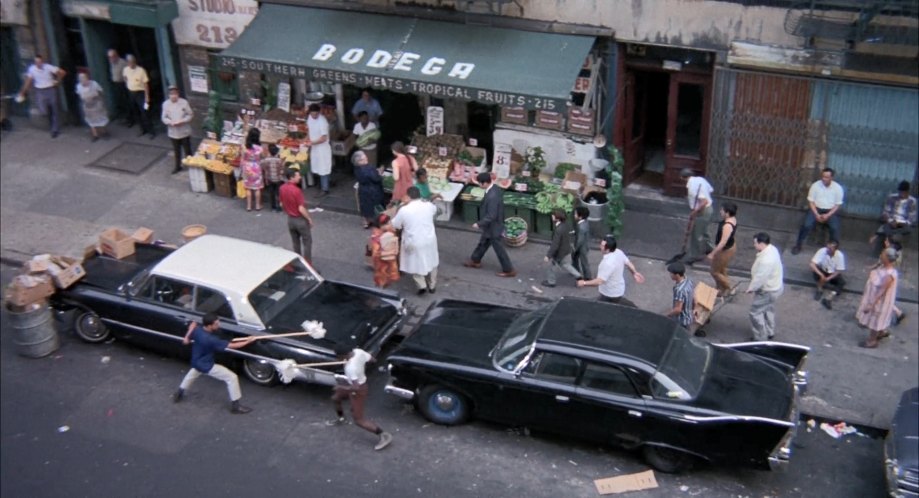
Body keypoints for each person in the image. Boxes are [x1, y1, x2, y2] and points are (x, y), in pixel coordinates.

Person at [172, 313, 257, 414]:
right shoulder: (211, 339)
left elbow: (186, 341)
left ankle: (179, 393)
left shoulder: (197, 330)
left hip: (196, 360)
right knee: (231, 377)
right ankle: (236, 406)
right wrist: (249, 341)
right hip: (206, 364)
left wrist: (191, 329)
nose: (218, 325)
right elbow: (234, 346)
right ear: (209, 326)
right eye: (216, 324)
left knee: (192, 374)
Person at [327, 344, 393, 451]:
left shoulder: (350, 368)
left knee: (359, 420)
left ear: (343, 355)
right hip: (356, 383)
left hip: (358, 390)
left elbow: (355, 387)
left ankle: (384, 435)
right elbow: (372, 359)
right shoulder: (358, 351)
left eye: (338, 357)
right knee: (335, 398)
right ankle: (341, 418)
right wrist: (361, 367)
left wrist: (341, 386)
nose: (338, 359)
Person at [463, 172, 516, 277]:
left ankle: (509, 269)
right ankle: (475, 260)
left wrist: (479, 223)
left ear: (484, 183)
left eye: (479, 183)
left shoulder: (492, 196)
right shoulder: (494, 189)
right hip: (492, 226)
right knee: (483, 242)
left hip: (493, 226)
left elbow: (491, 215)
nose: (479, 185)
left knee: (498, 248)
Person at [391, 186, 439, 295]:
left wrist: (401, 205)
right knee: (431, 260)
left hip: (413, 241)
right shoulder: (428, 206)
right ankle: (432, 285)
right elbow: (434, 210)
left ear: (408, 196)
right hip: (429, 239)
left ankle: (421, 285)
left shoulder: (404, 210)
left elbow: (396, 224)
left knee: (416, 263)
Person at [577, 235, 645, 307]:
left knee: (605, 306)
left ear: (608, 249)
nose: (600, 246)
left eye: (602, 246)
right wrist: (634, 272)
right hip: (618, 289)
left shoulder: (607, 263)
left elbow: (599, 281)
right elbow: (628, 263)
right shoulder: (619, 252)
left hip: (609, 293)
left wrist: (584, 283)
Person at [792, 168, 844, 255]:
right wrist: (816, 214)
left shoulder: (837, 188)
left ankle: (832, 249)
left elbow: (837, 205)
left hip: (830, 211)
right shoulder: (815, 185)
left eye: (827, 177)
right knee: (806, 225)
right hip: (816, 209)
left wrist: (828, 215)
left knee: (834, 228)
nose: (824, 179)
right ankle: (798, 245)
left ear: (832, 178)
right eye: (823, 176)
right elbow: (811, 201)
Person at [856, 247, 899, 348]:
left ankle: (872, 341)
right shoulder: (882, 267)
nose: (881, 254)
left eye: (883, 254)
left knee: (875, 322)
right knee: (877, 321)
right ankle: (881, 332)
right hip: (875, 299)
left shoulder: (889, 275)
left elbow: (881, 291)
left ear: (888, 258)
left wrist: (871, 305)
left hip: (880, 303)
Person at [745, 232, 784, 341]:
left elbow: (760, 278)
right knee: (768, 309)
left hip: (767, 291)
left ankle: (761, 338)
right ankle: (770, 331)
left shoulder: (766, 261)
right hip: (776, 288)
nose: (754, 245)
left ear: (761, 243)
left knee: (755, 313)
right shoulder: (772, 249)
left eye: (755, 243)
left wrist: (751, 288)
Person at [17, 55, 67, 138]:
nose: (38, 64)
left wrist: (58, 81)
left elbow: (62, 72)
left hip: (50, 89)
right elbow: (28, 81)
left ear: (42, 62)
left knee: (54, 109)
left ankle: (55, 129)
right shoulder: (32, 69)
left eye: (39, 62)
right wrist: (22, 92)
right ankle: (49, 117)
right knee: (43, 110)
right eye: (36, 62)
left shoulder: (48, 67)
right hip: (40, 90)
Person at [679, 168, 715, 264]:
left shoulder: (692, 186)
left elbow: (704, 201)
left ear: (683, 178)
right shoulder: (701, 179)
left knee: (696, 233)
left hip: (702, 210)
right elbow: (710, 190)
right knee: (703, 230)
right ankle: (710, 249)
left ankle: (695, 255)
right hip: (709, 209)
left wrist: (695, 211)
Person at [872, 180, 917, 254]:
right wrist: (890, 221)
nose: (901, 194)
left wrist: (901, 223)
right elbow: (885, 212)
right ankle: (888, 246)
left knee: (905, 230)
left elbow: (912, 218)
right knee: (886, 228)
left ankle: (891, 242)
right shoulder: (892, 198)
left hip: (903, 225)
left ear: (907, 192)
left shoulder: (912, 201)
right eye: (900, 192)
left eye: (904, 192)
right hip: (891, 222)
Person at [280, 168, 315, 262]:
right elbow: (301, 208)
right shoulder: (297, 191)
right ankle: (308, 263)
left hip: (290, 219)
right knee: (307, 242)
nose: (300, 177)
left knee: (295, 242)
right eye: (297, 175)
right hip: (300, 220)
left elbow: (281, 204)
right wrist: (309, 218)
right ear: (292, 177)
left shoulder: (282, 188)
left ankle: (297, 261)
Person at [542, 209, 581, 288]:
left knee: (552, 267)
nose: (552, 216)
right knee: (566, 265)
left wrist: (548, 256)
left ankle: (551, 282)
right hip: (566, 250)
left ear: (557, 218)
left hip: (560, 252)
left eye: (553, 215)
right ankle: (578, 276)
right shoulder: (565, 225)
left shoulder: (558, 229)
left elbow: (555, 244)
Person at [707, 202, 738, 297]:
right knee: (721, 269)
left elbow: (722, 242)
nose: (720, 211)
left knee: (714, 272)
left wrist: (712, 253)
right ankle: (720, 288)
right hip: (730, 246)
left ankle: (730, 287)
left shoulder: (727, 225)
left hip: (725, 250)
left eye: (722, 210)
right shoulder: (733, 219)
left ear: (727, 213)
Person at [161, 85, 193, 174]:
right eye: (171, 94)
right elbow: (164, 118)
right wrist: (170, 122)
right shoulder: (165, 104)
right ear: (169, 95)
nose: (173, 96)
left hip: (184, 130)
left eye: (175, 94)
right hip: (173, 132)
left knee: (188, 149)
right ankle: (177, 166)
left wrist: (183, 121)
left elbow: (190, 114)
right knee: (176, 150)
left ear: (178, 94)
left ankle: (191, 166)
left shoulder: (184, 103)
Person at [122, 55, 155, 139]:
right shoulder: (126, 70)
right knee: (136, 112)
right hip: (131, 92)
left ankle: (151, 131)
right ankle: (142, 129)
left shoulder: (141, 70)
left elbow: (146, 84)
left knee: (145, 112)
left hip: (140, 93)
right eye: (129, 62)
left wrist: (147, 97)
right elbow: (125, 78)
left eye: (132, 62)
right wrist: (128, 85)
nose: (131, 64)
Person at [809, 239, 846, 310]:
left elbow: (839, 270)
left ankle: (828, 298)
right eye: (827, 247)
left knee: (841, 283)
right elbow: (812, 264)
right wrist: (821, 275)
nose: (827, 250)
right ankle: (819, 290)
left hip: (831, 272)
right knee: (820, 276)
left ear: (835, 249)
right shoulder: (822, 251)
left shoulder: (840, 256)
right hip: (822, 270)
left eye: (830, 248)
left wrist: (829, 278)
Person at [74, 72, 109, 142]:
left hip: (97, 103)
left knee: (101, 118)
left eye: (84, 78)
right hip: (87, 105)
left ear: (87, 78)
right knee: (91, 120)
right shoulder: (78, 86)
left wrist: (101, 100)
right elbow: (79, 94)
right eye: (81, 79)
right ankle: (95, 135)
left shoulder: (94, 84)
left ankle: (104, 132)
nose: (82, 80)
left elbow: (101, 91)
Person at [353, 150, 384, 228]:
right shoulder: (369, 169)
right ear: (360, 161)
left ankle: (365, 222)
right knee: (375, 206)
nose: (366, 159)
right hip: (373, 190)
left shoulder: (357, 169)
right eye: (364, 159)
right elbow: (376, 178)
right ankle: (376, 221)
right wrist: (380, 174)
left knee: (365, 206)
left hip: (363, 190)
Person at [367, 214, 400, 289]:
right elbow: (375, 253)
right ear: (381, 225)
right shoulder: (376, 236)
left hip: (388, 257)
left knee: (387, 275)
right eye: (388, 223)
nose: (390, 225)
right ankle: (381, 287)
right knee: (382, 276)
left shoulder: (388, 230)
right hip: (382, 261)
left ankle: (385, 285)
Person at [307, 103, 332, 197]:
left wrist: (312, 143)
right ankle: (322, 184)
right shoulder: (309, 118)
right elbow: (308, 130)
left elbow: (324, 138)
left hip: (322, 148)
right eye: (312, 114)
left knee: (323, 168)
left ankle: (325, 189)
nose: (314, 116)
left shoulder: (322, 121)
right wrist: (307, 140)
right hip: (314, 147)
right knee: (316, 166)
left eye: (316, 114)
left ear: (319, 112)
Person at [665, 261, 695, 330]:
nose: (670, 275)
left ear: (677, 275)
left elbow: (678, 309)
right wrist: (694, 308)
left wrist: (667, 315)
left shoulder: (680, 290)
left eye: (671, 274)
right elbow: (694, 295)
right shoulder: (688, 280)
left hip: (681, 320)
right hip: (688, 316)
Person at [242, 128, 264, 211]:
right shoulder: (260, 148)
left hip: (247, 168)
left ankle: (248, 206)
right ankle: (258, 206)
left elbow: (243, 157)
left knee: (248, 188)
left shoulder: (245, 147)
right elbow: (262, 157)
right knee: (257, 188)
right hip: (257, 168)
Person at [106, 49, 129, 122]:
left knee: (126, 102)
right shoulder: (111, 63)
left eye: (112, 57)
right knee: (120, 102)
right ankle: (123, 117)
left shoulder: (122, 62)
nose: (111, 59)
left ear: (116, 56)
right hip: (116, 84)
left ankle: (129, 119)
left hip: (123, 84)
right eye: (109, 57)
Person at [261, 144, 285, 212]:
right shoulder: (279, 160)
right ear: (277, 152)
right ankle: (279, 207)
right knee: (279, 193)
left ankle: (273, 207)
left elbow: (262, 166)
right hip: (278, 179)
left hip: (270, 179)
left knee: (272, 193)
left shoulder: (266, 160)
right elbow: (282, 169)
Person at [571, 206, 592, 280]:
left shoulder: (581, 227)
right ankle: (576, 271)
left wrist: (575, 248)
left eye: (576, 214)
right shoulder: (584, 223)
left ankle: (588, 277)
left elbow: (580, 240)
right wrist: (574, 232)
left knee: (583, 262)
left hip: (582, 247)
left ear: (580, 217)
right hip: (584, 246)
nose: (574, 215)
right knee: (575, 258)